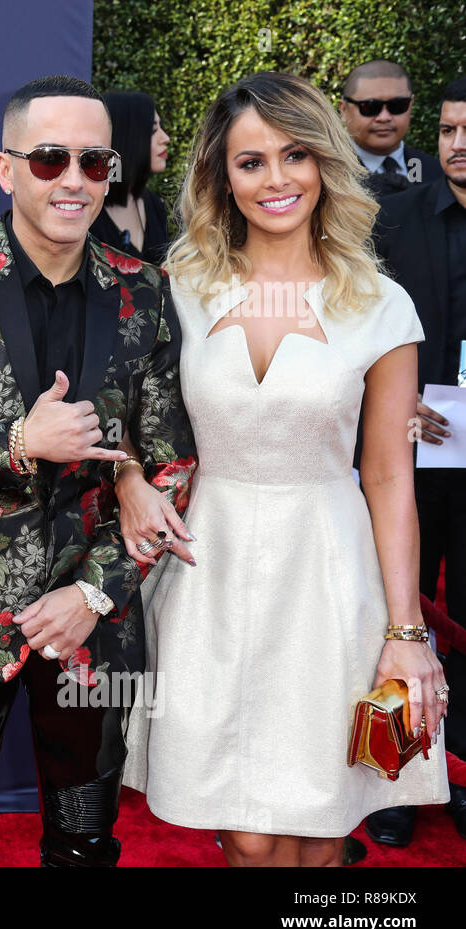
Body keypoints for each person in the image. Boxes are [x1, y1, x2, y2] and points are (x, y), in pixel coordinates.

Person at [118, 72, 451, 866]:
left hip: (331, 574)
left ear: (325, 162)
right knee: (250, 829)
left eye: (295, 155)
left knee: (318, 819)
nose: (276, 179)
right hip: (210, 571)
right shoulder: (178, 289)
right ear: (221, 177)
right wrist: (129, 478)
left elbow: (388, 476)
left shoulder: (380, 304)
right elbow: (130, 421)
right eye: (251, 161)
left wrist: (407, 633)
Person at [0, 74, 196, 867]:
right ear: (7, 168)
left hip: (95, 622)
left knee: (85, 845)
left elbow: (172, 465)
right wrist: (20, 441)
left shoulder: (146, 292)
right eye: (51, 158)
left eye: (96, 162)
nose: (75, 181)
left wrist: (94, 592)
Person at [365, 74, 466, 847]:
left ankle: (460, 771)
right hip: (409, 453)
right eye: (448, 130)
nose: (456, 146)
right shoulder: (394, 221)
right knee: (395, 614)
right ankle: (390, 780)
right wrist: (393, 404)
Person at [340, 59, 443, 198]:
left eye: (398, 105)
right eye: (370, 107)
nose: (384, 117)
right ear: (344, 110)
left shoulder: (436, 172)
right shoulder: (329, 174)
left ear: (411, 105)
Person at [90, 90, 172, 264]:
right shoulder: (87, 213)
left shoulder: (153, 204)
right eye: (153, 131)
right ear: (125, 138)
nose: (165, 138)